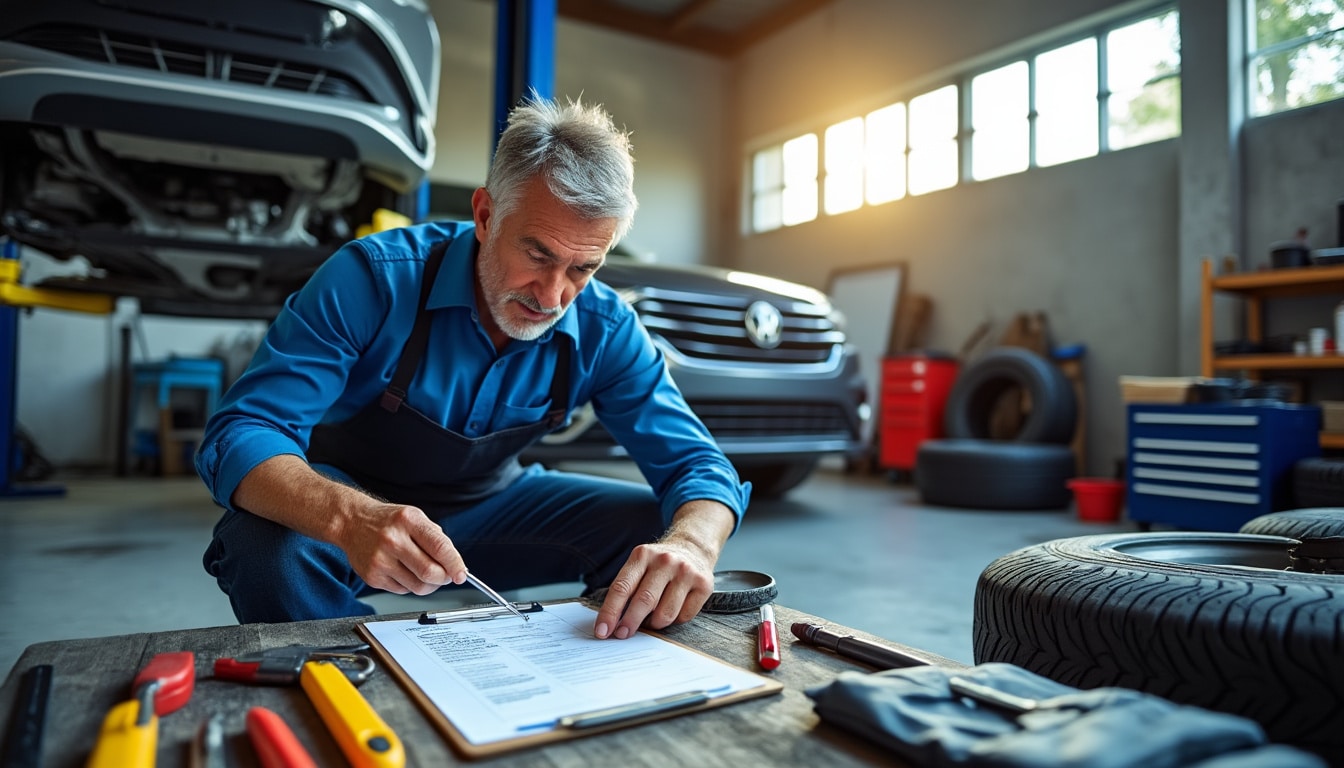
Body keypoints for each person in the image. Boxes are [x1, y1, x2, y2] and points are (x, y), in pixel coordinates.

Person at [195, 97, 750, 641]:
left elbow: (698, 463)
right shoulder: (372, 280)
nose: (553, 296)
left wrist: (691, 547)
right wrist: (350, 519)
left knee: (658, 534)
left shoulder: (606, 328)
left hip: (494, 509)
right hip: (350, 499)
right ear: (485, 215)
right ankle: (352, 674)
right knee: (263, 545)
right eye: (537, 255)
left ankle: (598, 674)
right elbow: (243, 432)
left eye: (583, 268)